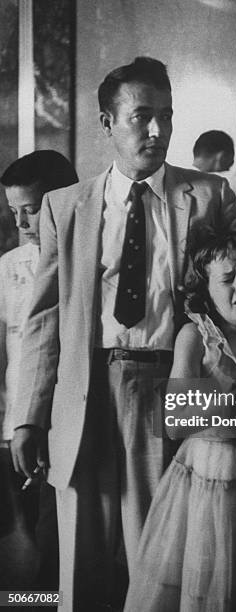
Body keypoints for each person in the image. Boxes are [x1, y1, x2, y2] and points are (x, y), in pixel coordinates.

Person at [10, 57, 236, 611]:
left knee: (159, 561)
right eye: (142, 116)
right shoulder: (63, 207)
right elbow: (43, 322)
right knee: (78, 566)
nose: (158, 130)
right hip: (84, 393)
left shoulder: (209, 196)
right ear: (107, 121)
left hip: (172, 386)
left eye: (166, 116)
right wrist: (29, 416)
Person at [130, 229, 236, 612]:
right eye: (227, 279)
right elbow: (174, 421)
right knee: (207, 579)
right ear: (205, 292)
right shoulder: (195, 337)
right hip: (207, 477)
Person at [0, 150, 78, 587]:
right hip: (18, 423)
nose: (22, 224)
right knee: (25, 532)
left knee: (58, 536)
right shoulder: (10, 267)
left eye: (31, 211)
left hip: (68, 421)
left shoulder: (86, 263)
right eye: (14, 212)